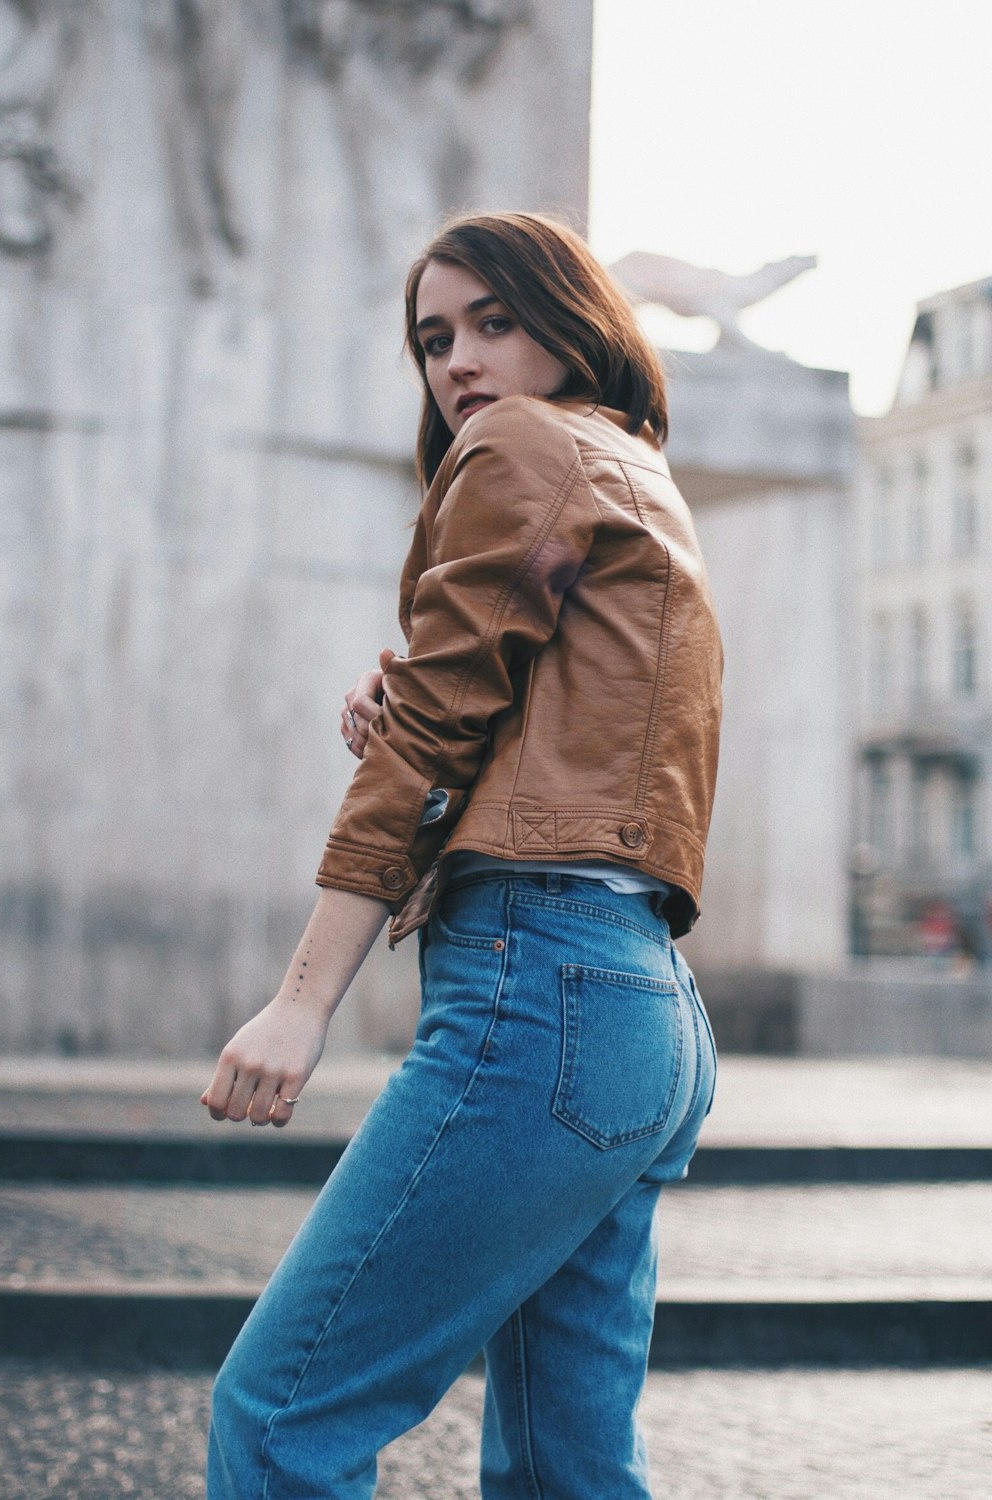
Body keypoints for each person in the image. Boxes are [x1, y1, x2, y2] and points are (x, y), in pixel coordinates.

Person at [203, 211, 723, 1500]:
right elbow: (562, 726)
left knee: (280, 1416)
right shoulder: (632, 470)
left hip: (541, 988)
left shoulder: (518, 441)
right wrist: (435, 721)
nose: (458, 363)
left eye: (494, 320)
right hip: (643, 1009)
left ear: (574, 318)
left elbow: (432, 734)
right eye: (434, 338)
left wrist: (303, 999)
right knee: (568, 1466)